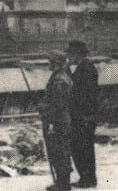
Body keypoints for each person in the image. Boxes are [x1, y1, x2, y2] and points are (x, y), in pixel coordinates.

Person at [67, 40, 99, 188]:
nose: (69, 56)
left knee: (83, 148)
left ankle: (88, 179)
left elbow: (88, 95)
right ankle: (86, 178)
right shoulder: (83, 67)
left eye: (70, 53)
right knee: (82, 147)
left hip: (84, 116)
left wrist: (86, 115)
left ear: (77, 54)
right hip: (83, 115)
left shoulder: (86, 69)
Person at [40, 50, 74, 191]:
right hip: (60, 119)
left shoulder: (59, 80)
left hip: (58, 120)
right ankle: (62, 182)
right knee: (59, 150)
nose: (48, 63)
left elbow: (58, 104)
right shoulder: (60, 76)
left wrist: (45, 109)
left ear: (55, 63)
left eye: (50, 61)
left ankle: (63, 184)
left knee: (59, 150)